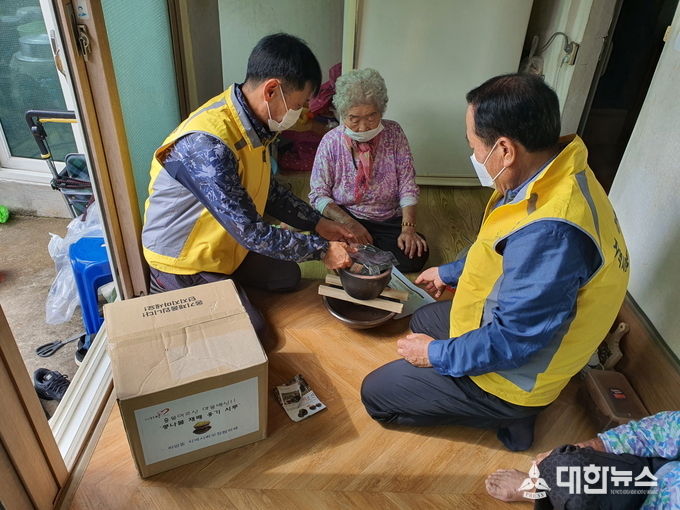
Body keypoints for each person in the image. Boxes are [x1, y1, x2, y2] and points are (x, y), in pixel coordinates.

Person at [360, 73, 630, 451]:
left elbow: (513, 340)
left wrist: (433, 354)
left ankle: (508, 415)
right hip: (523, 326)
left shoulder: (552, 234)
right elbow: (500, 244)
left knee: (376, 395)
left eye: (474, 146)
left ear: (505, 150)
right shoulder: (556, 172)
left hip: (516, 376)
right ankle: (491, 399)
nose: (474, 157)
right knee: (423, 319)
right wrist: (450, 271)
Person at [141, 33, 354, 339]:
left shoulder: (253, 124)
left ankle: (226, 292)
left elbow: (268, 192)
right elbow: (251, 231)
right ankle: (174, 291)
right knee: (254, 335)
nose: (301, 114)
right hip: (183, 262)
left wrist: (318, 224)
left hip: (224, 246)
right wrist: (322, 250)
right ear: (271, 90)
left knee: (287, 275)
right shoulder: (208, 143)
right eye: (299, 104)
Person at [308, 68, 428, 273]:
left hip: (386, 218)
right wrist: (350, 223)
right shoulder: (330, 142)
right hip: (345, 215)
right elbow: (318, 195)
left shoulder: (394, 133)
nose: (363, 127)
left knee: (415, 255)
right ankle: (363, 257)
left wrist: (408, 229)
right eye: (354, 119)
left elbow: (407, 184)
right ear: (342, 114)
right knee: (325, 232)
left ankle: (356, 259)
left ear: (381, 111)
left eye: (372, 117)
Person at [486, 411, 680, 509]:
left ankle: (545, 493)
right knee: (567, 468)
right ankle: (542, 491)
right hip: (649, 478)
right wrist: (592, 446)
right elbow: (663, 430)